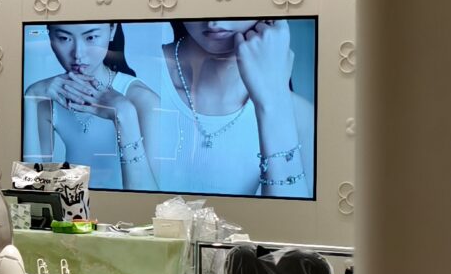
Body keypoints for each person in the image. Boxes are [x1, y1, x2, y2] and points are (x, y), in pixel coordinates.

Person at [130, 18, 312, 198]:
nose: (214, 20)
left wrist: (272, 104)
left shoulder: (300, 115)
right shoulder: (133, 79)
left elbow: (292, 215)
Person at [23, 23, 159, 189]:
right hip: (73, 205)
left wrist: (125, 113)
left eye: (91, 37)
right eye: (64, 38)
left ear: (112, 31)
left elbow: (150, 199)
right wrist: (31, 97)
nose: (78, 54)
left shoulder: (143, 99)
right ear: (50, 36)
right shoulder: (48, 97)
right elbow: (32, 189)